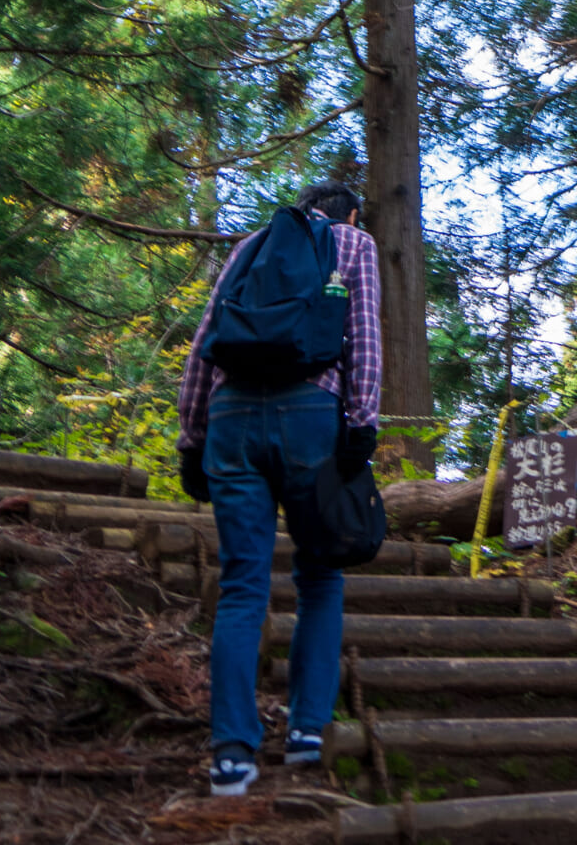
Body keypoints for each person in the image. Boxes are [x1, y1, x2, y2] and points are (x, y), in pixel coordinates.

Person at [177, 182, 382, 798]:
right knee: (320, 576)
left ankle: (232, 755)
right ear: (348, 213)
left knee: (243, 585)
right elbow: (364, 334)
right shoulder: (353, 242)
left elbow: (205, 345)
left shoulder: (252, 244)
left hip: (232, 419)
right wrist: (361, 422)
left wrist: (192, 436)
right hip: (310, 418)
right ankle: (307, 731)